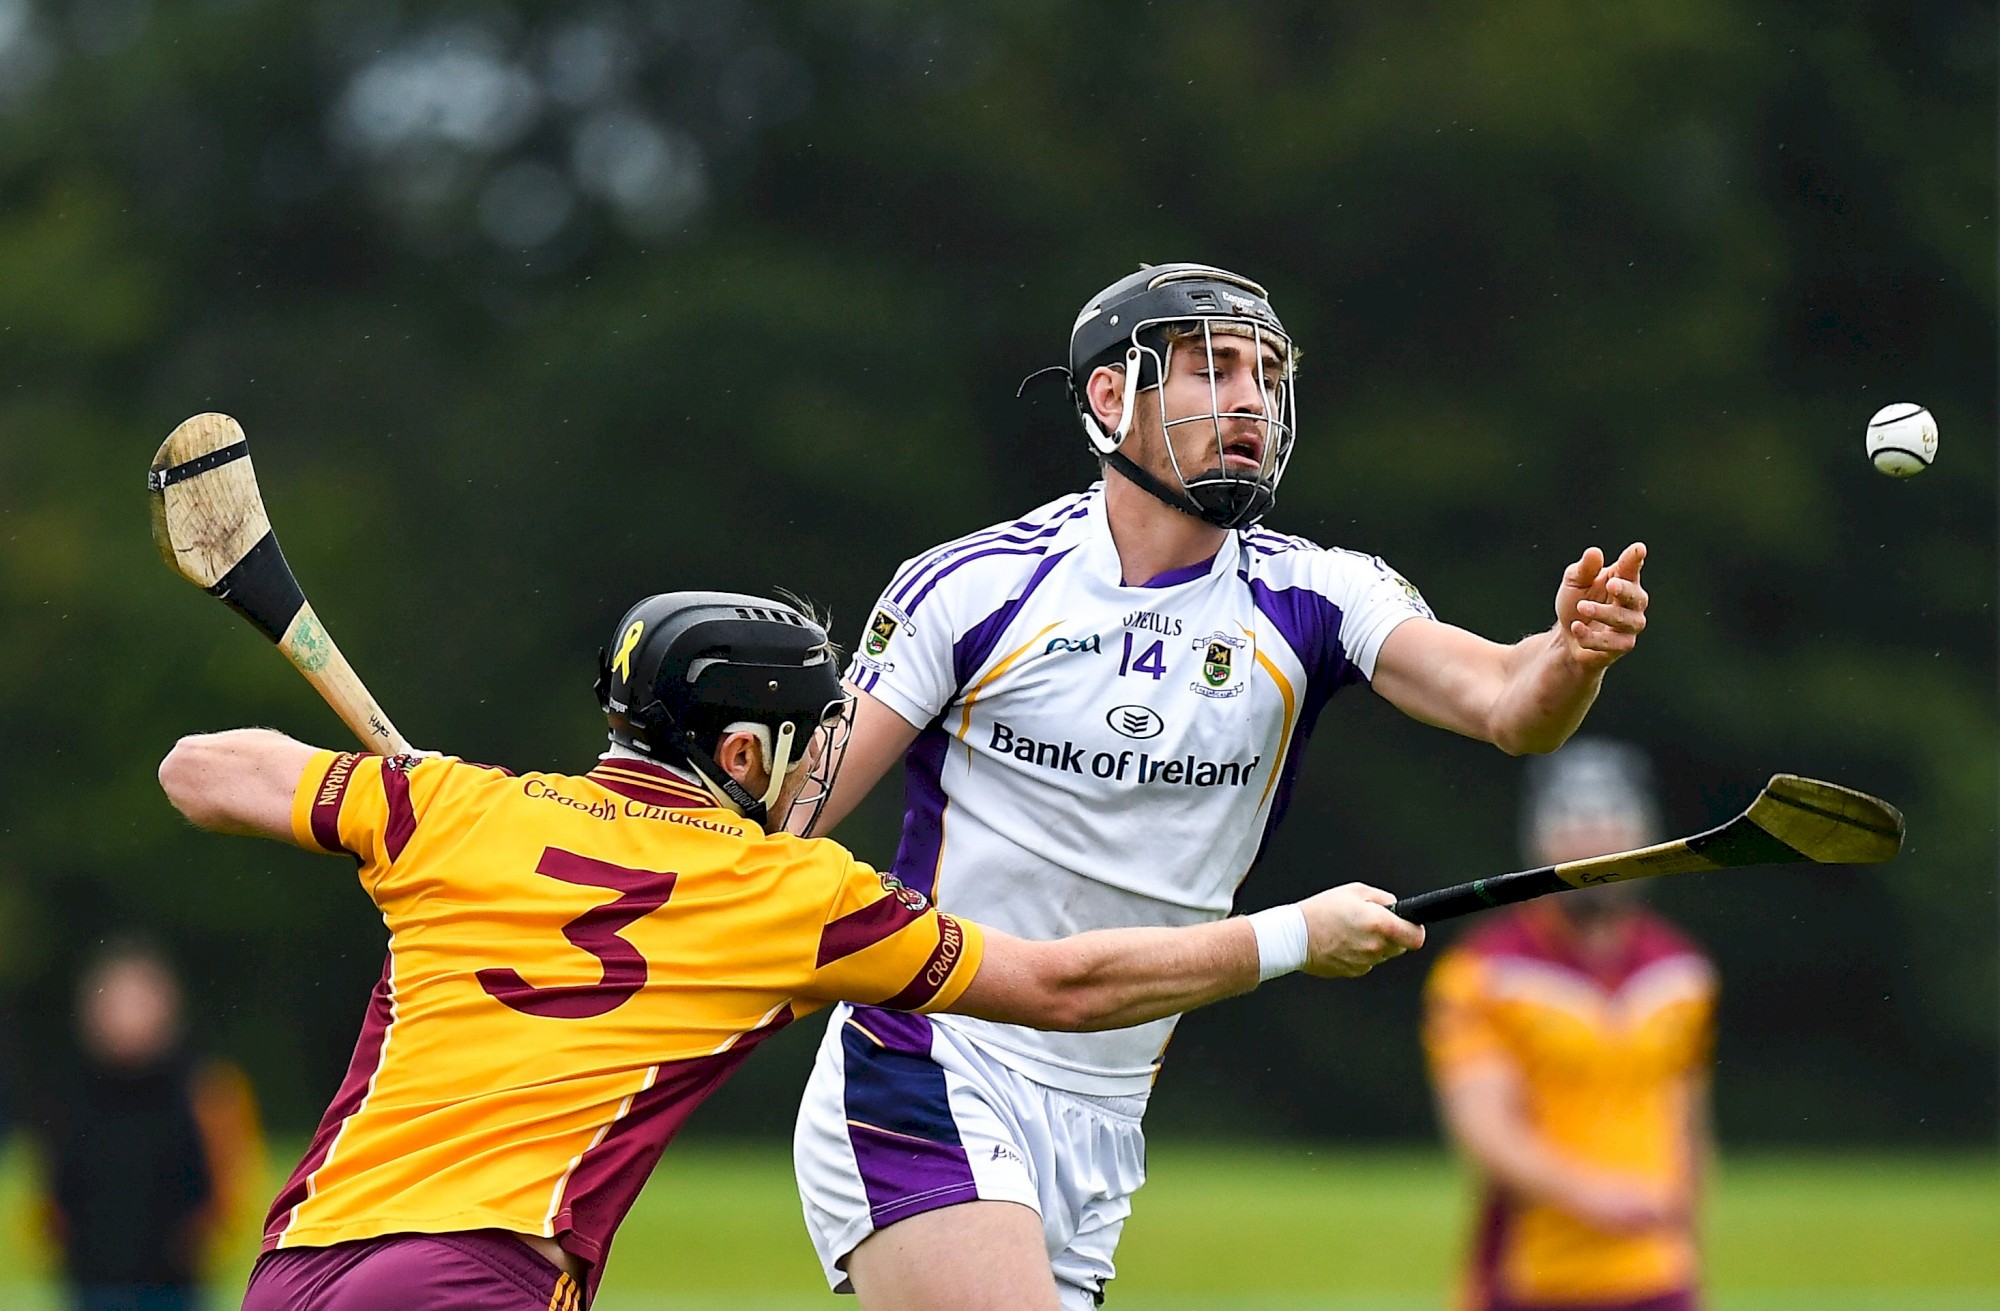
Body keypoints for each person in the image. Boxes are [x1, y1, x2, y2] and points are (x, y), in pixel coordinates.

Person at [156, 590, 1424, 1310]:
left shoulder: (455, 809)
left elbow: (201, 771)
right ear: (745, 753)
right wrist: (1289, 937)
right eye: (814, 730)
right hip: (475, 1279)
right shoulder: (791, 890)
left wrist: (417, 796)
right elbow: (1059, 983)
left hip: (295, 1275)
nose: (832, 754)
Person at [789, 262, 1652, 1311]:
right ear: (1111, 397)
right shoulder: (972, 588)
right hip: (924, 1060)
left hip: (1105, 1112)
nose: (1250, 399)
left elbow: (1509, 705)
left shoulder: (1317, 593)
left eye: (1266, 375)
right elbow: (791, 819)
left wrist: (1569, 656)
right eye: (1211, 368)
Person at [1423, 739, 1716, 1311]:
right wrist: (1591, 1195)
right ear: (1540, 838)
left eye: (1611, 823)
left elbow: (1687, 1129)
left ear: (1645, 837)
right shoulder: (1484, 972)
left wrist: (1690, 1252)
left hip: (1658, 1278)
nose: (1594, 843)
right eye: (1574, 823)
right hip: (1532, 1281)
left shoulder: (1682, 972)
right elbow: (1485, 1129)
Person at [39, 939, 265, 1311]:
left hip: (173, 1289)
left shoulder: (206, 1087)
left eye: (137, 1003)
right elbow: (52, 1191)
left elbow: (230, 1188)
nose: (126, 1018)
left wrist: (191, 1245)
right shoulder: (71, 1093)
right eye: (114, 1004)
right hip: (89, 1285)